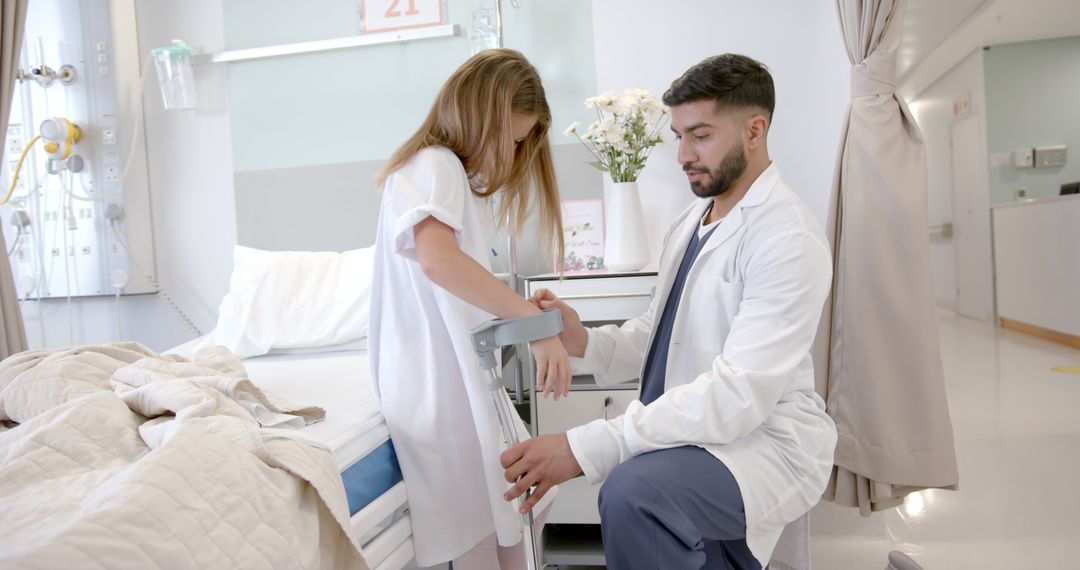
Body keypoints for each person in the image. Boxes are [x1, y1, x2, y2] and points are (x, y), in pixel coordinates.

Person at [500, 54, 838, 569]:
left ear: (755, 129)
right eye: (678, 136)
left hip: (764, 443)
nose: (682, 154)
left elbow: (738, 394)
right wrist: (582, 339)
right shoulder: (691, 221)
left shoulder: (787, 237)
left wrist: (582, 445)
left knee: (635, 495)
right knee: (643, 500)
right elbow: (658, 337)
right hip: (701, 434)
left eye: (700, 135)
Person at [368, 48, 571, 570]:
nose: (513, 150)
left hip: (453, 378)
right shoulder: (435, 164)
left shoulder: (444, 175)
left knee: (512, 507)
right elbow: (438, 262)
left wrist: (525, 314)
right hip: (437, 385)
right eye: (511, 137)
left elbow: (458, 285)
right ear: (479, 117)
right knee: (488, 520)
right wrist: (535, 323)